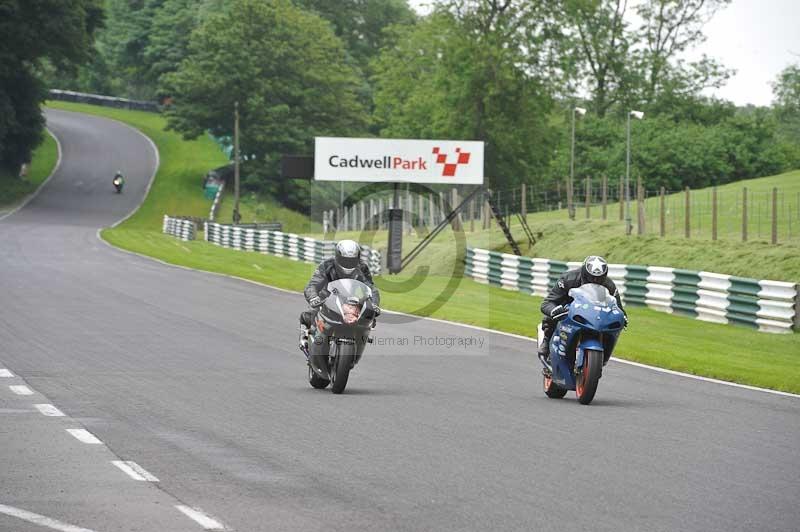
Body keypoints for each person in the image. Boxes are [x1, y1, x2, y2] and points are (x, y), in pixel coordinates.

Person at [537, 255, 626, 366]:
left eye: (599, 278)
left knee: (616, 325)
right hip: (568, 310)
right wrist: (554, 310)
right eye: (592, 277)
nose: (595, 280)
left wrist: (623, 317)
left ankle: (604, 355)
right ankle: (546, 340)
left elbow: (618, 308)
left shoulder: (609, 285)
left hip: (593, 314)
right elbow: (547, 303)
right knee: (556, 311)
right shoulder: (568, 279)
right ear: (584, 273)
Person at [299, 239, 380, 354]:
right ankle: (305, 337)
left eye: (352, 261)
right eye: (345, 260)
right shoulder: (327, 265)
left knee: (368, 317)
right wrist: (313, 298)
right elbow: (313, 285)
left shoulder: (362, 268)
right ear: (337, 257)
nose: (348, 264)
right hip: (326, 299)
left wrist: (374, 304)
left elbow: (371, 288)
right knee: (310, 314)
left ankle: (360, 340)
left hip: (351, 301)